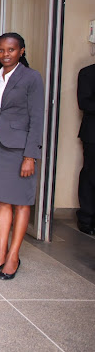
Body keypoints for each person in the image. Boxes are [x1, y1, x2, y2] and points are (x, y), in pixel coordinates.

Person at [0, 33, 44, 279]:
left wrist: (31, 155)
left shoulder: (31, 77)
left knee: (21, 202)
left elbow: (37, 118)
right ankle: (1, 252)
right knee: (2, 202)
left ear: (21, 51)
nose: (5, 54)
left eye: (11, 50)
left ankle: (13, 256)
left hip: (20, 149)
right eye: (1, 50)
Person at [76, 63, 95, 235]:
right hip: (93, 134)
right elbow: (84, 102)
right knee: (91, 175)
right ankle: (86, 218)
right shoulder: (88, 73)